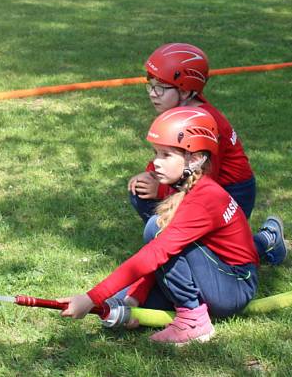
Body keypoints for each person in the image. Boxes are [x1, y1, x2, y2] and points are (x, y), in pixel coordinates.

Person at [58, 107, 263, 345]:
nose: (155, 163)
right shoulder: (189, 189)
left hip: (234, 287)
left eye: (166, 155)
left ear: (195, 159)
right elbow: (160, 255)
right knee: (117, 302)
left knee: (156, 230)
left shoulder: (206, 198)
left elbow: (157, 253)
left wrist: (90, 298)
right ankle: (167, 305)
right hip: (214, 277)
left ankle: (194, 321)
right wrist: (133, 299)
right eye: (156, 153)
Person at [128, 43, 286, 265]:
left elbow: (207, 185)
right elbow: (169, 154)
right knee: (140, 193)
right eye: (150, 86)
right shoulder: (177, 113)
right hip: (202, 184)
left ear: (184, 90)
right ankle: (181, 251)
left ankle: (266, 240)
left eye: (161, 88)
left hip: (229, 193)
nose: (153, 94)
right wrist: (150, 175)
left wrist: (161, 188)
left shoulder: (204, 123)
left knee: (222, 257)